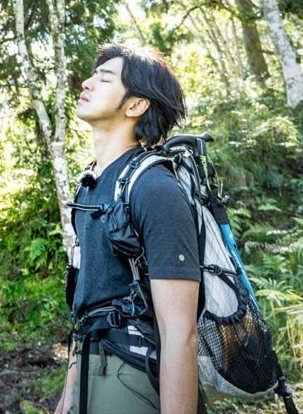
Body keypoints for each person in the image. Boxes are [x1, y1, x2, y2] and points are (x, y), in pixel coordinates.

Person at [55, 43, 201, 414]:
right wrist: (68, 394)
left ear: (135, 105)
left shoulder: (154, 188)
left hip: (131, 375)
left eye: (104, 79)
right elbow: (85, 305)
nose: (87, 83)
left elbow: (179, 333)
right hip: (89, 367)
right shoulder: (89, 185)